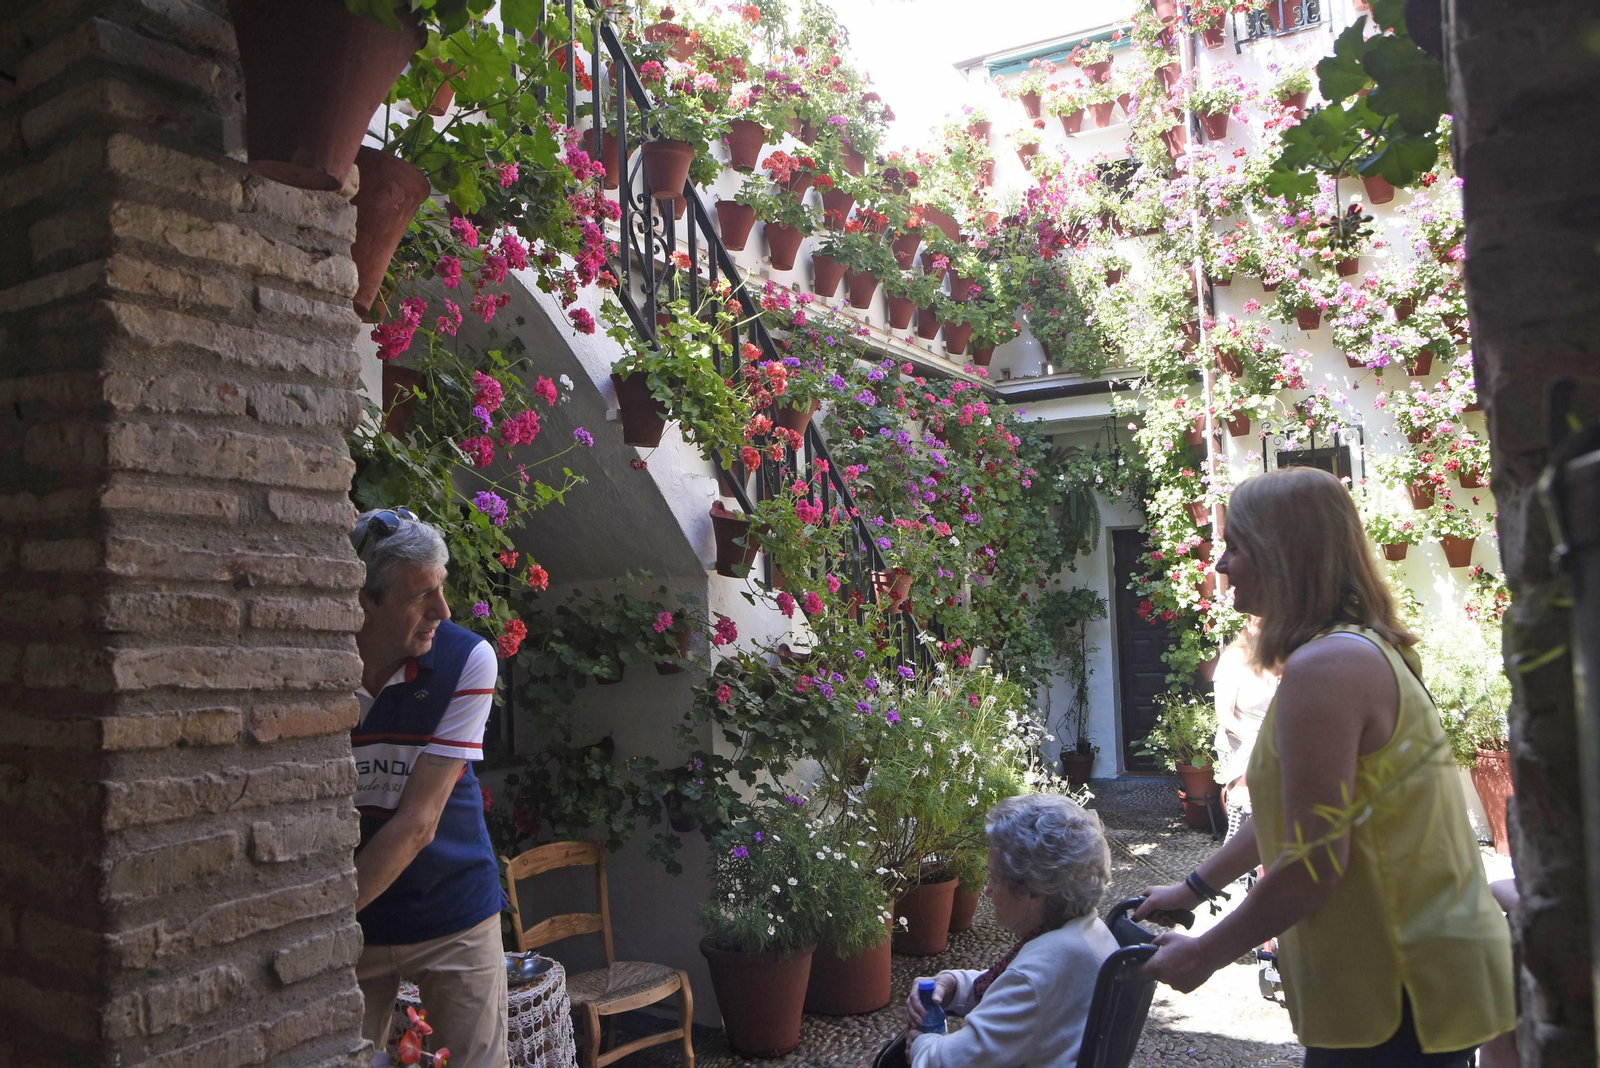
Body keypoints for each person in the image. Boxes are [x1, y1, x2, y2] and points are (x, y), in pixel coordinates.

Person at [1135, 468, 1514, 1066]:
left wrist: (1205, 953)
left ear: (1283, 556)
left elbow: (1313, 861)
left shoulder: (1328, 668)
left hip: (1395, 986)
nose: (1221, 564)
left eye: (1236, 546)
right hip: (1402, 979)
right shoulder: (1351, 650)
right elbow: (1298, 813)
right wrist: (1193, 886)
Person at [348, 508, 508, 1068]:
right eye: (421, 596)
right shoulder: (314, 667)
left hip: (451, 911)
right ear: (363, 601)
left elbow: (418, 823)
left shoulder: (468, 660)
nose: (442, 611)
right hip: (356, 923)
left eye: (442, 589)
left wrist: (320, 923)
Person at [900, 793, 1118, 1068]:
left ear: (1034, 890)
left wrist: (921, 1043)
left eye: (995, 878)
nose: (988, 891)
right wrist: (955, 984)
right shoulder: (1087, 932)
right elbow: (1014, 996)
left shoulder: (1036, 974)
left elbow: (948, 1063)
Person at [1211, 617, 1277, 842]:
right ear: (1249, 625)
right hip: (1241, 740)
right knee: (1246, 812)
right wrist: (1255, 741)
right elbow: (1225, 716)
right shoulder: (1233, 659)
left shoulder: (1281, 658)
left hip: (1274, 742)